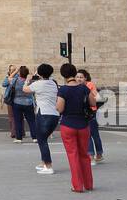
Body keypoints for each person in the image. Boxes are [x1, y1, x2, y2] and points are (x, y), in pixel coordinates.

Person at [56, 63, 95, 192]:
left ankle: (77, 185)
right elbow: (93, 103)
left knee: (73, 155)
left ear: (63, 74)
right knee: (85, 154)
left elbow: (60, 108)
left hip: (68, 124)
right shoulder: (84, 88)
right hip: (83, 124)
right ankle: (88, 184)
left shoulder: (63, 90)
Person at [24, 64, 61, 174]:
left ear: (39, 73)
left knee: (42, 139)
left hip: (44, 114)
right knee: (43, 139)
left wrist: (27, 79)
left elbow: (25, 89)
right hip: (54, 114)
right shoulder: (53, 83)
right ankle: (44, 162)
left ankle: (48, 166)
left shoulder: (38, 84)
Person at [81, 68, 104, 163]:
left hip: (91, 112)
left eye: (81, 77)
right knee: (92, 134)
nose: (79, 79)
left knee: (91, 134)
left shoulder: (89, 85)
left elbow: (97, 97)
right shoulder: (81, 86)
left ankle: (92, 155)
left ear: (85, 78)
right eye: (77, 77)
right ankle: (98, 154)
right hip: (86, 112)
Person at [8, 66, 36, 142]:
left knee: (18, 120)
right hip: (28, 102)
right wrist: (30, 73)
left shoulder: (16, 80)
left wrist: (16, 71)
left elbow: (9, 78)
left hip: (17, 102)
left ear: (19, 73)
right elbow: (35, 79)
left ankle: (19, 138)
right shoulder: (30, 81)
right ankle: (34, 137)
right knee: (31, 121)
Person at [1, 64, 19, 139]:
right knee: (11, 117)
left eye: (14, 70)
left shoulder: (18, 77)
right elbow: (4, 84)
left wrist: (14, 74)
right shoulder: (8, 77)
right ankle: (14, 132)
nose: (13, 71)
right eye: (12, 70)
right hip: (10, 99)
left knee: (17, 116)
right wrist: (11, 75)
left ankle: (16, 132)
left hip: (17, 99)